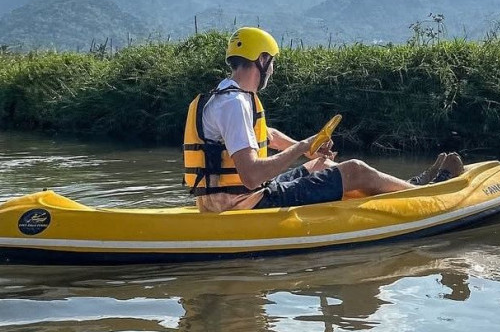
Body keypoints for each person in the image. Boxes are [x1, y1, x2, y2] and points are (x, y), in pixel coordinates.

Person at [183, 27, 464, 213]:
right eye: (273, 62)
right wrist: (301, 146)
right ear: (262, 59)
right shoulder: (235, 104)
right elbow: (252, 176)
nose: (273, 70)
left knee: (323, 165)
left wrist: (310, 151)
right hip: (245, 205)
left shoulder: (220, 97)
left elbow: (268, 135)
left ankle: (407, 186)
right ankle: (426, 196)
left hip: (224, 200)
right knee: (354, 169)